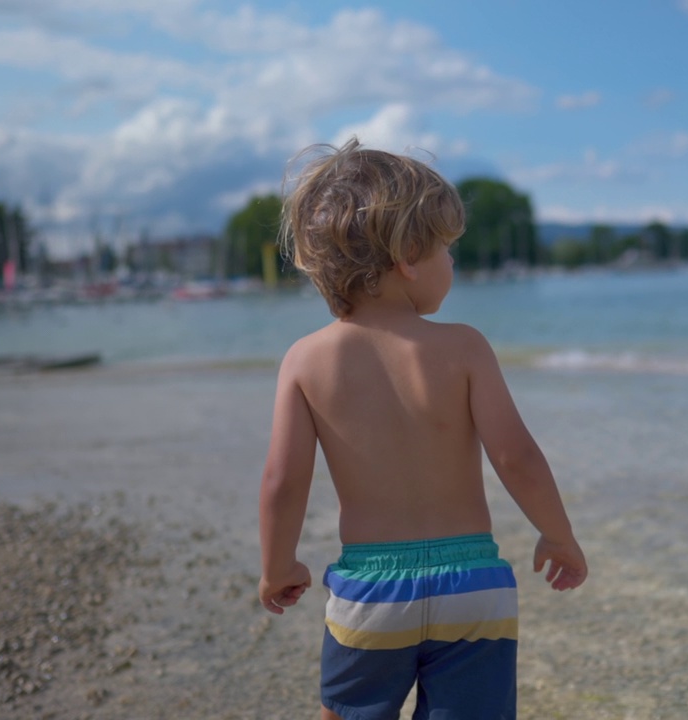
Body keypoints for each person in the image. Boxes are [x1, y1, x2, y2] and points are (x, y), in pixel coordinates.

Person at [258, 138, 588, 720]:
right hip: (474, 587)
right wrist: (558, 535)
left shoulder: (306, 360)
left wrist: (277, 565)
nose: (453, 264)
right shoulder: (464, 347)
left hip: (372, 592)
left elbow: (284, 481)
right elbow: (516, 457)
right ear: (410, 254)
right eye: (448, 250)